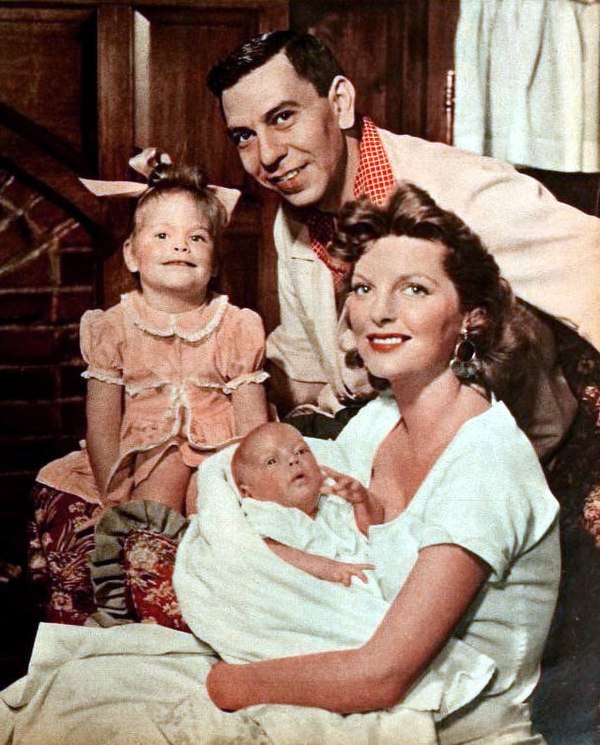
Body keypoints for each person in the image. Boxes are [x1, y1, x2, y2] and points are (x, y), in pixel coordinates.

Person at [205, 182, 561, 744]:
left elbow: (383, 676)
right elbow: (312, 525)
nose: (379, 312)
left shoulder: (485, 466)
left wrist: (229, 684)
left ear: (472, 317)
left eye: (414, 289)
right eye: (365, 288)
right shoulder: (378, 419)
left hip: (453, 719)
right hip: (355, 670)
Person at [206, 29, 600, 453]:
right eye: (244, 135)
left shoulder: (459, 190)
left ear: (340, 103)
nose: (266, 156)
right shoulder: (295, 219)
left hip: (497, 459)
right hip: (384, 445)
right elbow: (307, 372)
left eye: (283, 117)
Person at [36, 156, 268, 515]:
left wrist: (259, 485)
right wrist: (111, 494)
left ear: (215, 262)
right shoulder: (113, 328)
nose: (181, 246)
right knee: (159, 492)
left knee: (216, 507)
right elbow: (102, 424)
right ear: (131, 255)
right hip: (147, 455)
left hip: (224, 453)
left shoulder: (236, 326)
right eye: (162, 235)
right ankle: (150, 549)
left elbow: (254, 423)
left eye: (197, 237)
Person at [232, 421, 382, 586]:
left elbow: (373, 530)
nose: (293, 460)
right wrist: (325, 568)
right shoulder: (266, 512)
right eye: (271, 461)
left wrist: (362, 501)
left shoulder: (333, 497)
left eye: (301, 451)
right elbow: (265, 552)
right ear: (249, 492)